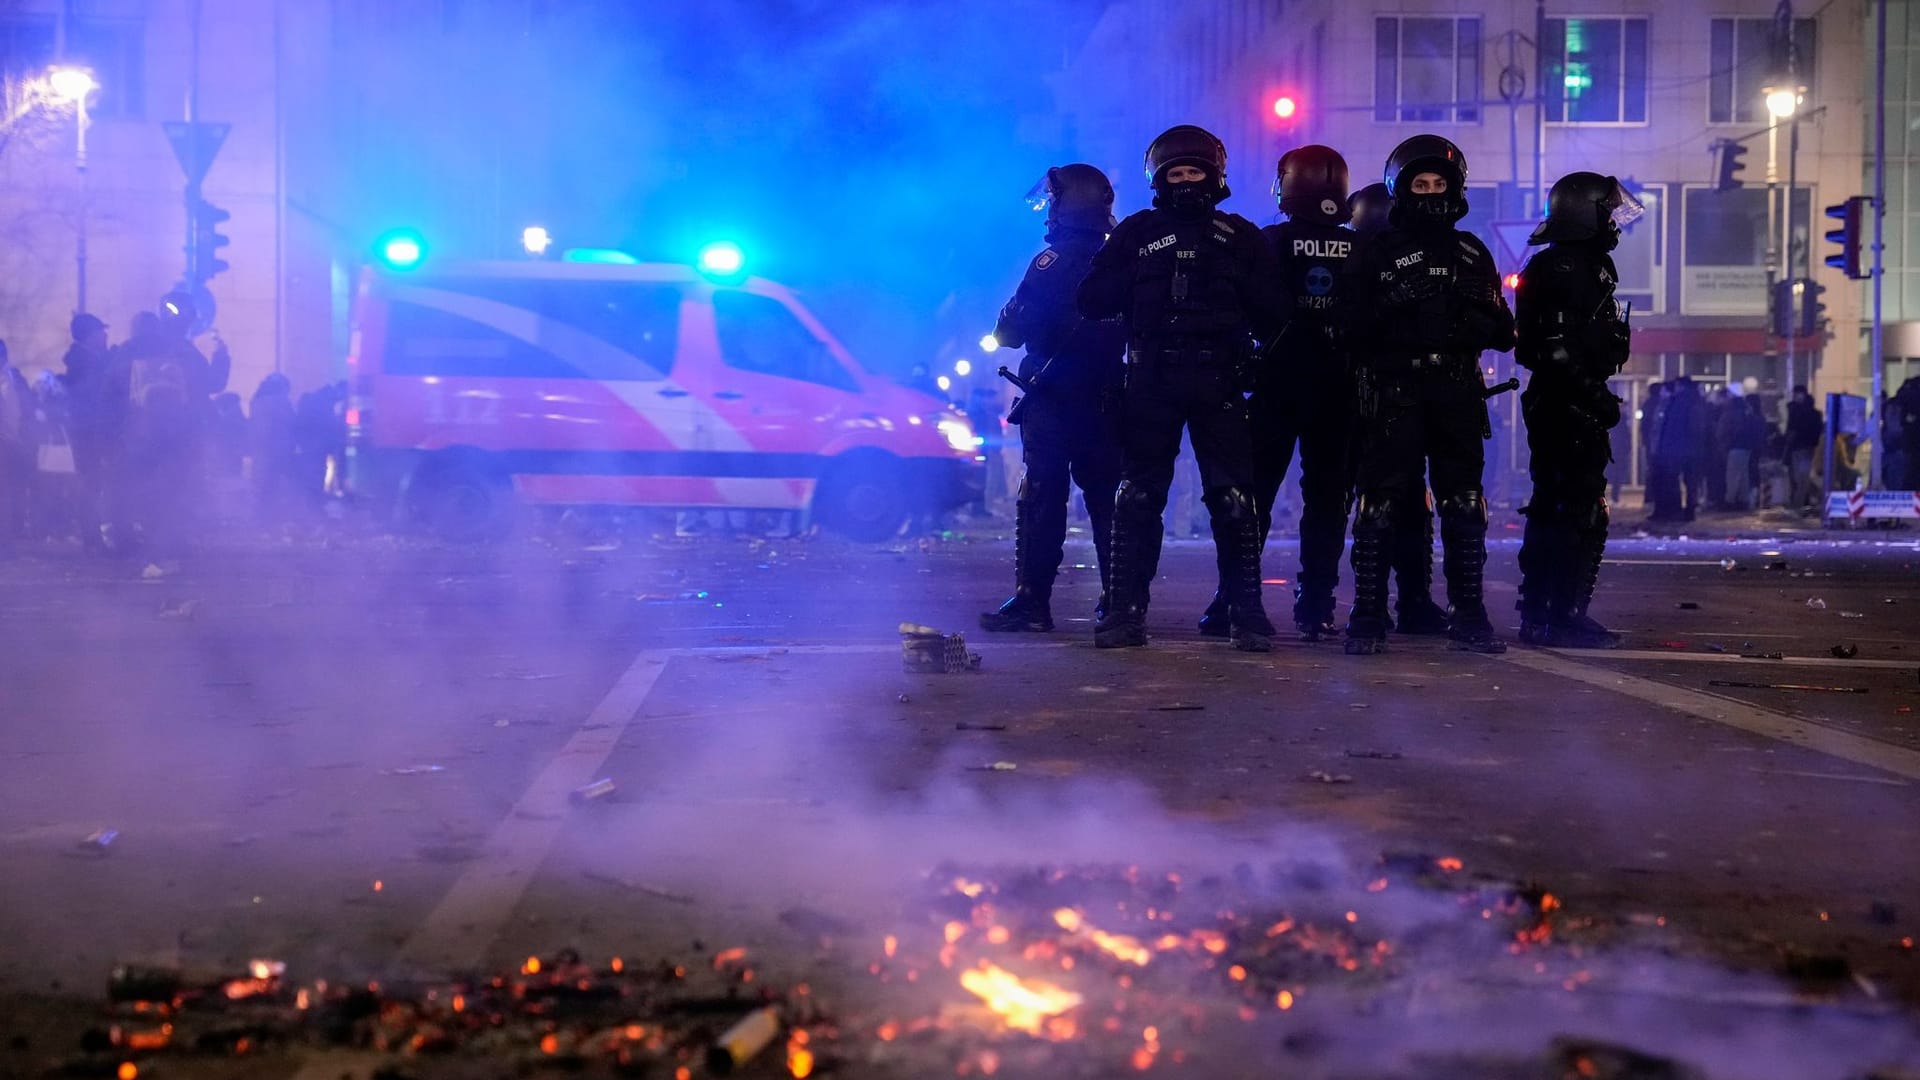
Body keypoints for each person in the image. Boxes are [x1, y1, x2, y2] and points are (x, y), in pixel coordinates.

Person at [1077, 124, 1284, 651]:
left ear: (1214, 178)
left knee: (1235, 498)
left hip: (1218, 380)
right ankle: (1124, 608)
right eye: (1177, 173)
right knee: (1139, 496)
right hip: (1151, 379)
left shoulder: (1240, 236)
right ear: (1159, 180)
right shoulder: (1136, 233)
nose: (1186, 182)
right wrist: (1145, 268)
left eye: (1196, 172)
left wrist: (1252, 352)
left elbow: (1277, 313)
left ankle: (1245, 610)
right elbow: (1092, 298)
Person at [1341, 134, 1516, 655]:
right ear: (1402, 188)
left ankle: (1470, 614)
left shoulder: (1472, 251)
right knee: (1379, 503)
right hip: (1395, 391)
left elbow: (1505, 333)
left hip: (1455, 389)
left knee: (1464, 502)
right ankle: (1368, 614)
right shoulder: (1377, 251)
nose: (1432, 192)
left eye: (1440, 183)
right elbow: (1347, 328)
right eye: (1421, 183)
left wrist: (1475, 314)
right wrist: (1393, 302)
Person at [1200, 144, 1355, 641]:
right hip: (1339, 390)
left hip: (1277, 386)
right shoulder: (1360, 249)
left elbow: (1240, 305)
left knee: (1253, 498)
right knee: (1328, 501)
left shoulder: (1268, 241)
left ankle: (1233, 598)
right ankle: (1316, 607)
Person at [979, 163, 1126, 632]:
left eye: (1055, 201)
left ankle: (1032, 602)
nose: (1049, 212)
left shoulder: (1051, 264)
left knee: (1042, 495)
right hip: (1107, 396)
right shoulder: (1123, 262)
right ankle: (1119, 603)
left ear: (1070, 204)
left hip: (1052, 397)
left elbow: (1009, 332)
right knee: (1109, 501)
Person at [1512, 171, 1641, 648]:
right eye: (1605, 212)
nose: (1613, 221)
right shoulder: (1562, 268)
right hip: (1563, 401)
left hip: (1573, 400)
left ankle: (1558, 611)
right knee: (1566, 509)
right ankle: (1553, 614)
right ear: (1583, 213)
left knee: (1575, 508)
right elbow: (1553, 349)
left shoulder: (1584, 264)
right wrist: (1593, 395)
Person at [1347, 180, 1448, 634]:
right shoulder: (1366, 266)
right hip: (1369, 399)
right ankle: (1380, 605)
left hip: (1392, 399)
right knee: (1383, 504)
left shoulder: (1377, 259)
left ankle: (1409, 600)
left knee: (1404, 504)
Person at [0, 339, 34, 546]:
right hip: (5, 441)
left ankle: (7, 538)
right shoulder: (10, 381)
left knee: (10, 492)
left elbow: (24, 409)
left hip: (12, 442)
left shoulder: (13, 380)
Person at [1785, 385, 1822, 513]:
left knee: (1800, 480)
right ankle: (1806, 502)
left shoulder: (1795, 411)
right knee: (1803, 479)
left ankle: (1798, 505)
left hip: (1799, 449)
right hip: (1809, 448)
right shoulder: (1814, 413)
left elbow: (1791, 430)